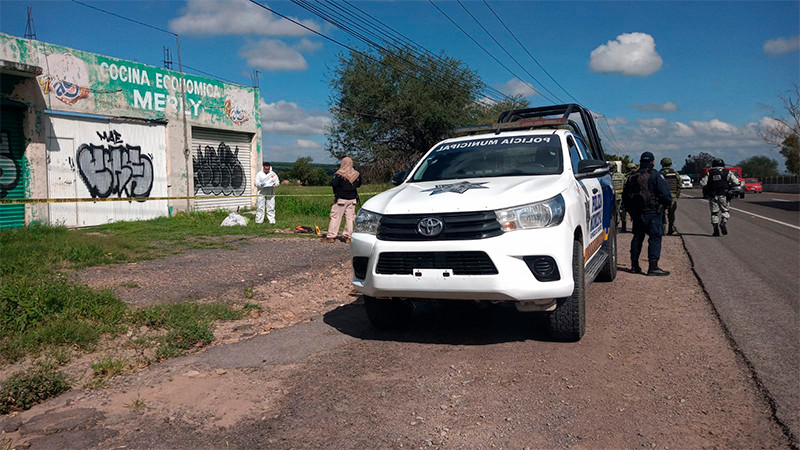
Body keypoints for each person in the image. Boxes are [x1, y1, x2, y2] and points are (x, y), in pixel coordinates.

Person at [622, 152, 672, 276]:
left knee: (637, 237)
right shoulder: (655, 175)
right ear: (652, 162)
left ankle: (634, 265)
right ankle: (653, 267)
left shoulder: (632, 176)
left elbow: (625, 197)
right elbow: (666, 195)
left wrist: (631, 212)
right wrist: (666, 204)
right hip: (653, 212)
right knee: (655, 238)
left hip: (637, 213)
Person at [322, 157, 362, 244]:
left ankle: (331, 236)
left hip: (341, 199)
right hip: (352, 199)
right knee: (350, 218)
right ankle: (349, 237)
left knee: (335, 217)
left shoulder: (339, 174)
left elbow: (333, 184)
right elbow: (358, 185)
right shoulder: (356, 174)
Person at [699, 158, 739, 236]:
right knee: (725, 211)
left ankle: (715, 230)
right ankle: (723, 222)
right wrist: (729, 186)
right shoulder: (727, 172)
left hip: (713, 196)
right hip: (724, 195)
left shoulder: (710, 173)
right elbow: (736, 182)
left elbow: (702, 183)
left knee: (714, 213)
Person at [659, 157, 681, 235]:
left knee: (662, 213)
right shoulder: (675, 173)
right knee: (671, 214)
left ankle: (663, 229)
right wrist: (676, 195)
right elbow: (679, 185)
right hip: (673, 197)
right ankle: (670, 229)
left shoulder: (659, 174)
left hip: (662, 197)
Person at [619, 162, 638, 232]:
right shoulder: (638, 175)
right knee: (635, 213)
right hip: (635, 196)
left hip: (628, 196)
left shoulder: (625, 176)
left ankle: (624, 227)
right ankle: (635, 228)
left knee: (624, 212)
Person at [611, 163, 625, 230]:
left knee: (613, 212)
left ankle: (614, 225)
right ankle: (619, 225)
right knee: (618, 211)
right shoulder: (621, 175)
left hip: (611, 197)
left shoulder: (608, 175)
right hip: (620, 196)